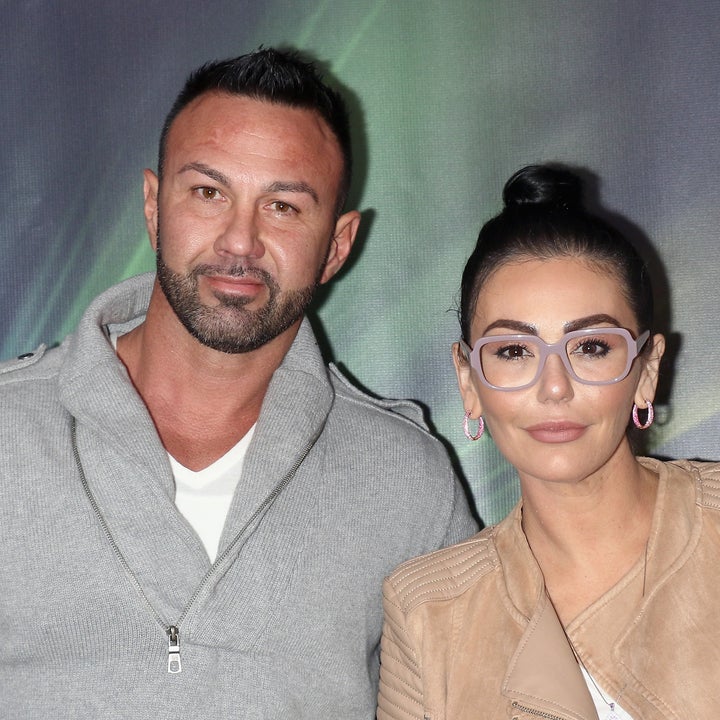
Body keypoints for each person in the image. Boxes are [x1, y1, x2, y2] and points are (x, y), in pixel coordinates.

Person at [0, 48, 477, 719]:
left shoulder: (406, 480)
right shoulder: (8, 430)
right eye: (208, 193)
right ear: (154, 206)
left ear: (338, 245)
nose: (240, 241)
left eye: (282, 206)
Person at [377, 164, 720, 719]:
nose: (554, 387)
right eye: (514, 352)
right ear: (468, 382)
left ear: (647, 370)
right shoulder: (428, 612)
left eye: (591, 347)